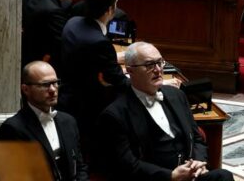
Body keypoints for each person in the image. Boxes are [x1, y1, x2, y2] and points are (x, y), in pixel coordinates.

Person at [96, 42, 234, 181]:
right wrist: (171, 176)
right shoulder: (115, 115)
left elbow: (197, 138)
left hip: (190, 175)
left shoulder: (177, 95)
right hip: (156, 178)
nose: (158, 70)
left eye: (160, 62)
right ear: (130, 70)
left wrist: (198, 162)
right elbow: (127, 165)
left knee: (224, 176)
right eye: (149, 65)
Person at [59, 0, 130, 151]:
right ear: (110, 10)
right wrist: (155, 84)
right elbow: (117, 80)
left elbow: (87, 57)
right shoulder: (99, 42)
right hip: (89, 105)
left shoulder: (73, 23)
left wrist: (117, 57)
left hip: (66, 95)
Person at [0, 61, 88, 181]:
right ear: (25, 89)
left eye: (55, 83)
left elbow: (80, 166)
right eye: (45, 85)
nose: (52, 90)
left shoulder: (68, 121)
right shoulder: (12, 128)